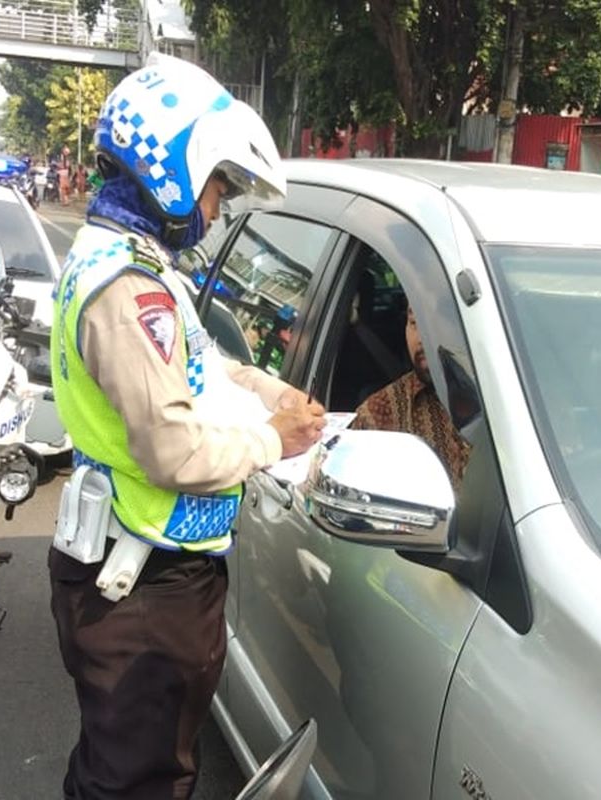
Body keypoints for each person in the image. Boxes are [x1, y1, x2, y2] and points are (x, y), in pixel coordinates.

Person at [48, 52, 326, 800]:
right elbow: (172, 449)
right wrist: (278, 443)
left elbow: (205, 365)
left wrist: (275, 394)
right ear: (170, 164)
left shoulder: (140, 266)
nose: (216, 209)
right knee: (140, 782)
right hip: (142, 585)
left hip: (144, 571)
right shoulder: (126, 286)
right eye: (215, 188)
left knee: (122, 768)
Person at [350, 300, 471, 489]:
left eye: (435, 323)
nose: (422, 338)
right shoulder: (379, 416)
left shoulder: (517, 400)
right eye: (414, 322)